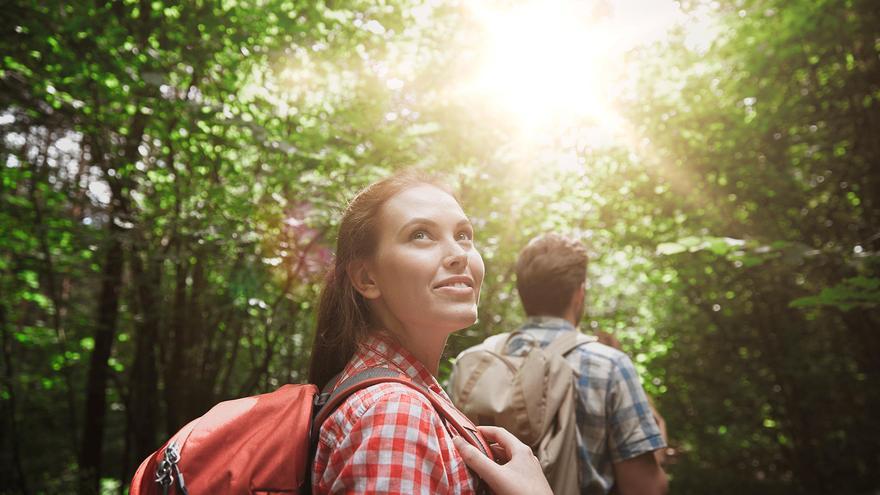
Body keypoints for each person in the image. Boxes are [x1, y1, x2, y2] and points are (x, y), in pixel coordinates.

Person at [308, 171, 552, 494]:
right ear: (367, 278)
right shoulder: (394, 411)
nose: (458, 254)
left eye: (464, 235)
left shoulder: (402, 394)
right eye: (420, 235)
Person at [460, 233, 668, 494]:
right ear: (579, 293)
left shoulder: (475, 358)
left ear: (523, 293)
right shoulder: (610, 364)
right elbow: (645, 488)